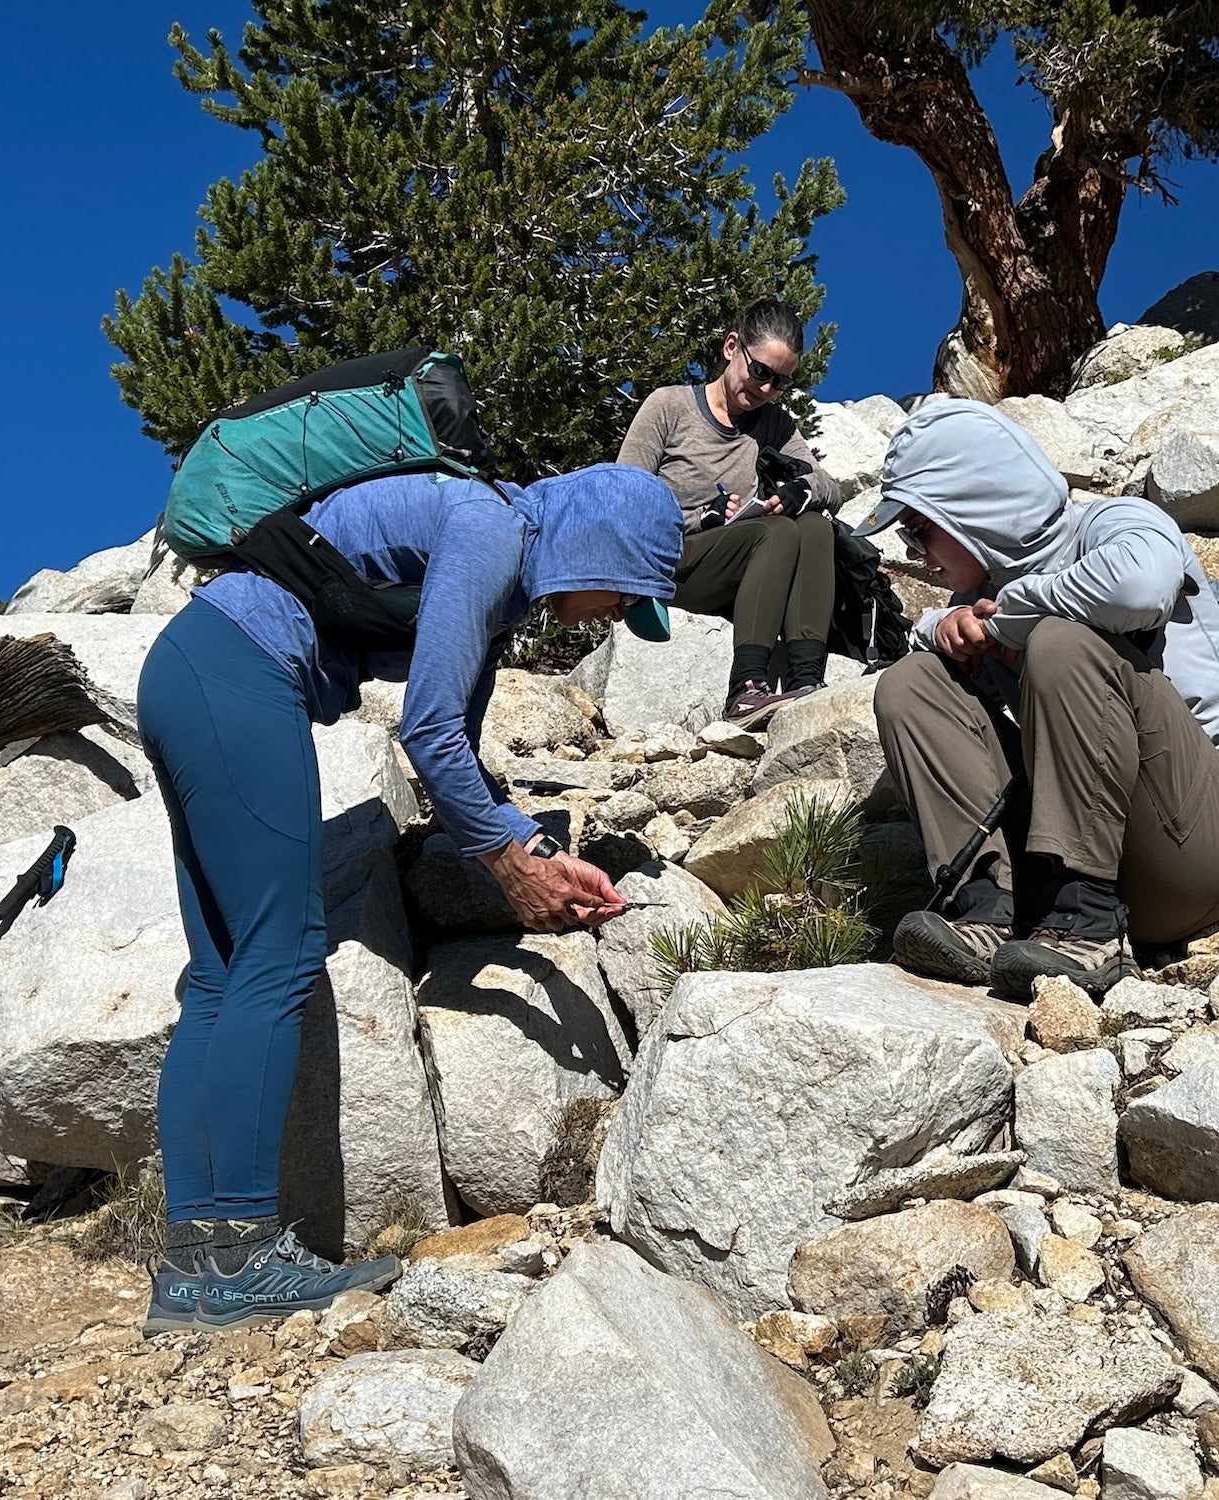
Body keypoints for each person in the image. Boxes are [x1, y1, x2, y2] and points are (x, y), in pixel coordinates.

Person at [135, 463, 683, 1332]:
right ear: (599, 548)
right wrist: (507, 867)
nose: (617, 616)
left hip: (192, 668)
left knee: (222, 975)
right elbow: (424, 730)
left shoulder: (496, 561)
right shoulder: (492, 532)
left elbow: (454, 741)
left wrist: (531, 848)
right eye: (626, 594)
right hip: (241, 673)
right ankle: (238, 1256)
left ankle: (197, 1270)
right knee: (279, 954)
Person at [859, 401, 1219, 999]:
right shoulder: (987, 595)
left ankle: (1085, 924)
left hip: (1218, 850)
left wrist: (1013, 615)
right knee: (912, 683)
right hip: (1116, 864)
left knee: (1061, 642)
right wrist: (944, 626)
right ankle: (990, 903)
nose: (915, 552)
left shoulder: (1115, 524)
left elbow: (1140, 587)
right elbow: (937, 654)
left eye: (918, 527)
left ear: (967, 507)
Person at [619, 297, 843, 726]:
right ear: (731, 347)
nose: (764, 389)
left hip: (741, 569)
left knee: (813, 526)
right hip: (672, 565)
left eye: (779, 383)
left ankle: (807, 677)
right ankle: (745, 689)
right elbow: (622, 501)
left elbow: (829, 486)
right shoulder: (669, 407)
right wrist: (702, 519)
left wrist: (802, 490)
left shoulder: (774, 425)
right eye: (760, 372)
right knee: (774, 533)